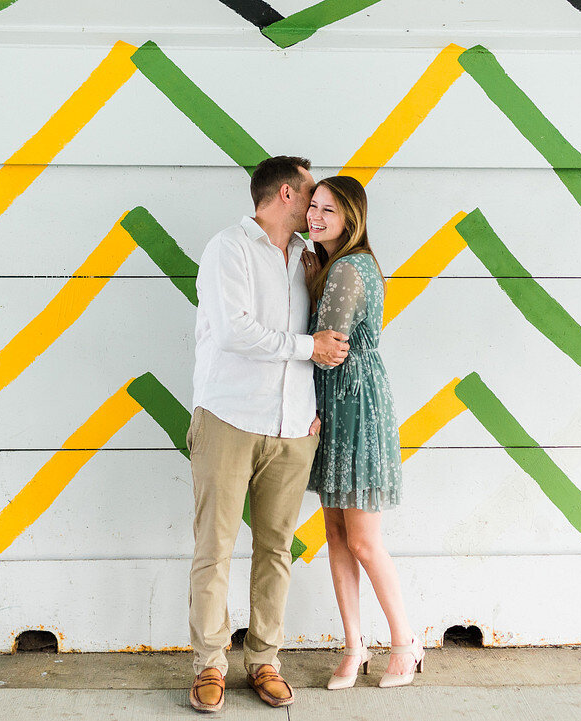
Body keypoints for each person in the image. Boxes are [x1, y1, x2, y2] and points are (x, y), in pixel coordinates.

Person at [186, 156, 350, 713]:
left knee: (275, 549)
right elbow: (236, 333)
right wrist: (310, 349)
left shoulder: (308, 258)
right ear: (286, 194)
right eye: (311, 195)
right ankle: (209, 663)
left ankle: (264, 660)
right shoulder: (227, 249)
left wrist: (313, 407)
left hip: (292, 428)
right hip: (228, 418)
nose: (317, 206)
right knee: (215, 548)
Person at [304, 176, 424, 690]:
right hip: (338, 401)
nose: (315, 216)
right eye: (312, 205)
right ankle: (354, 647)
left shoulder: (349, 268)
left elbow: (325, 343)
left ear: (350, 218)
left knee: (364, 541)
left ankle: (405, 642)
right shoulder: (337, 267)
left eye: (328, 209)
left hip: (352, 403)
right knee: (335, 534)